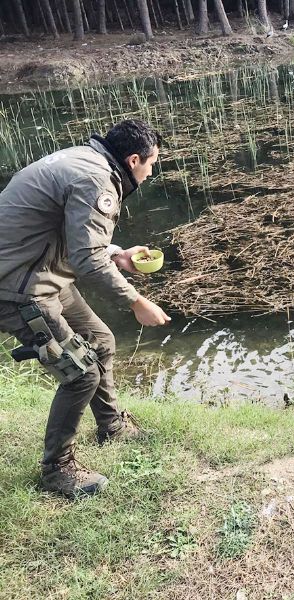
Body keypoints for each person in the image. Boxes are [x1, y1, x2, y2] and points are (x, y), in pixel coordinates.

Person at [0, 119, 171, 499]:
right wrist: (136, 301)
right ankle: (57, 470)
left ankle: (112, 426)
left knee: (100, 340)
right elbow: (88, 260)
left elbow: (76, 237)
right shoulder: (98, 180)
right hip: (18, 287)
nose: (152, 170)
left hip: (42, 275)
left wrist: (118, 253)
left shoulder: (86, 160)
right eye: (152, 162)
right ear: (132, 159)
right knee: (80, 372)